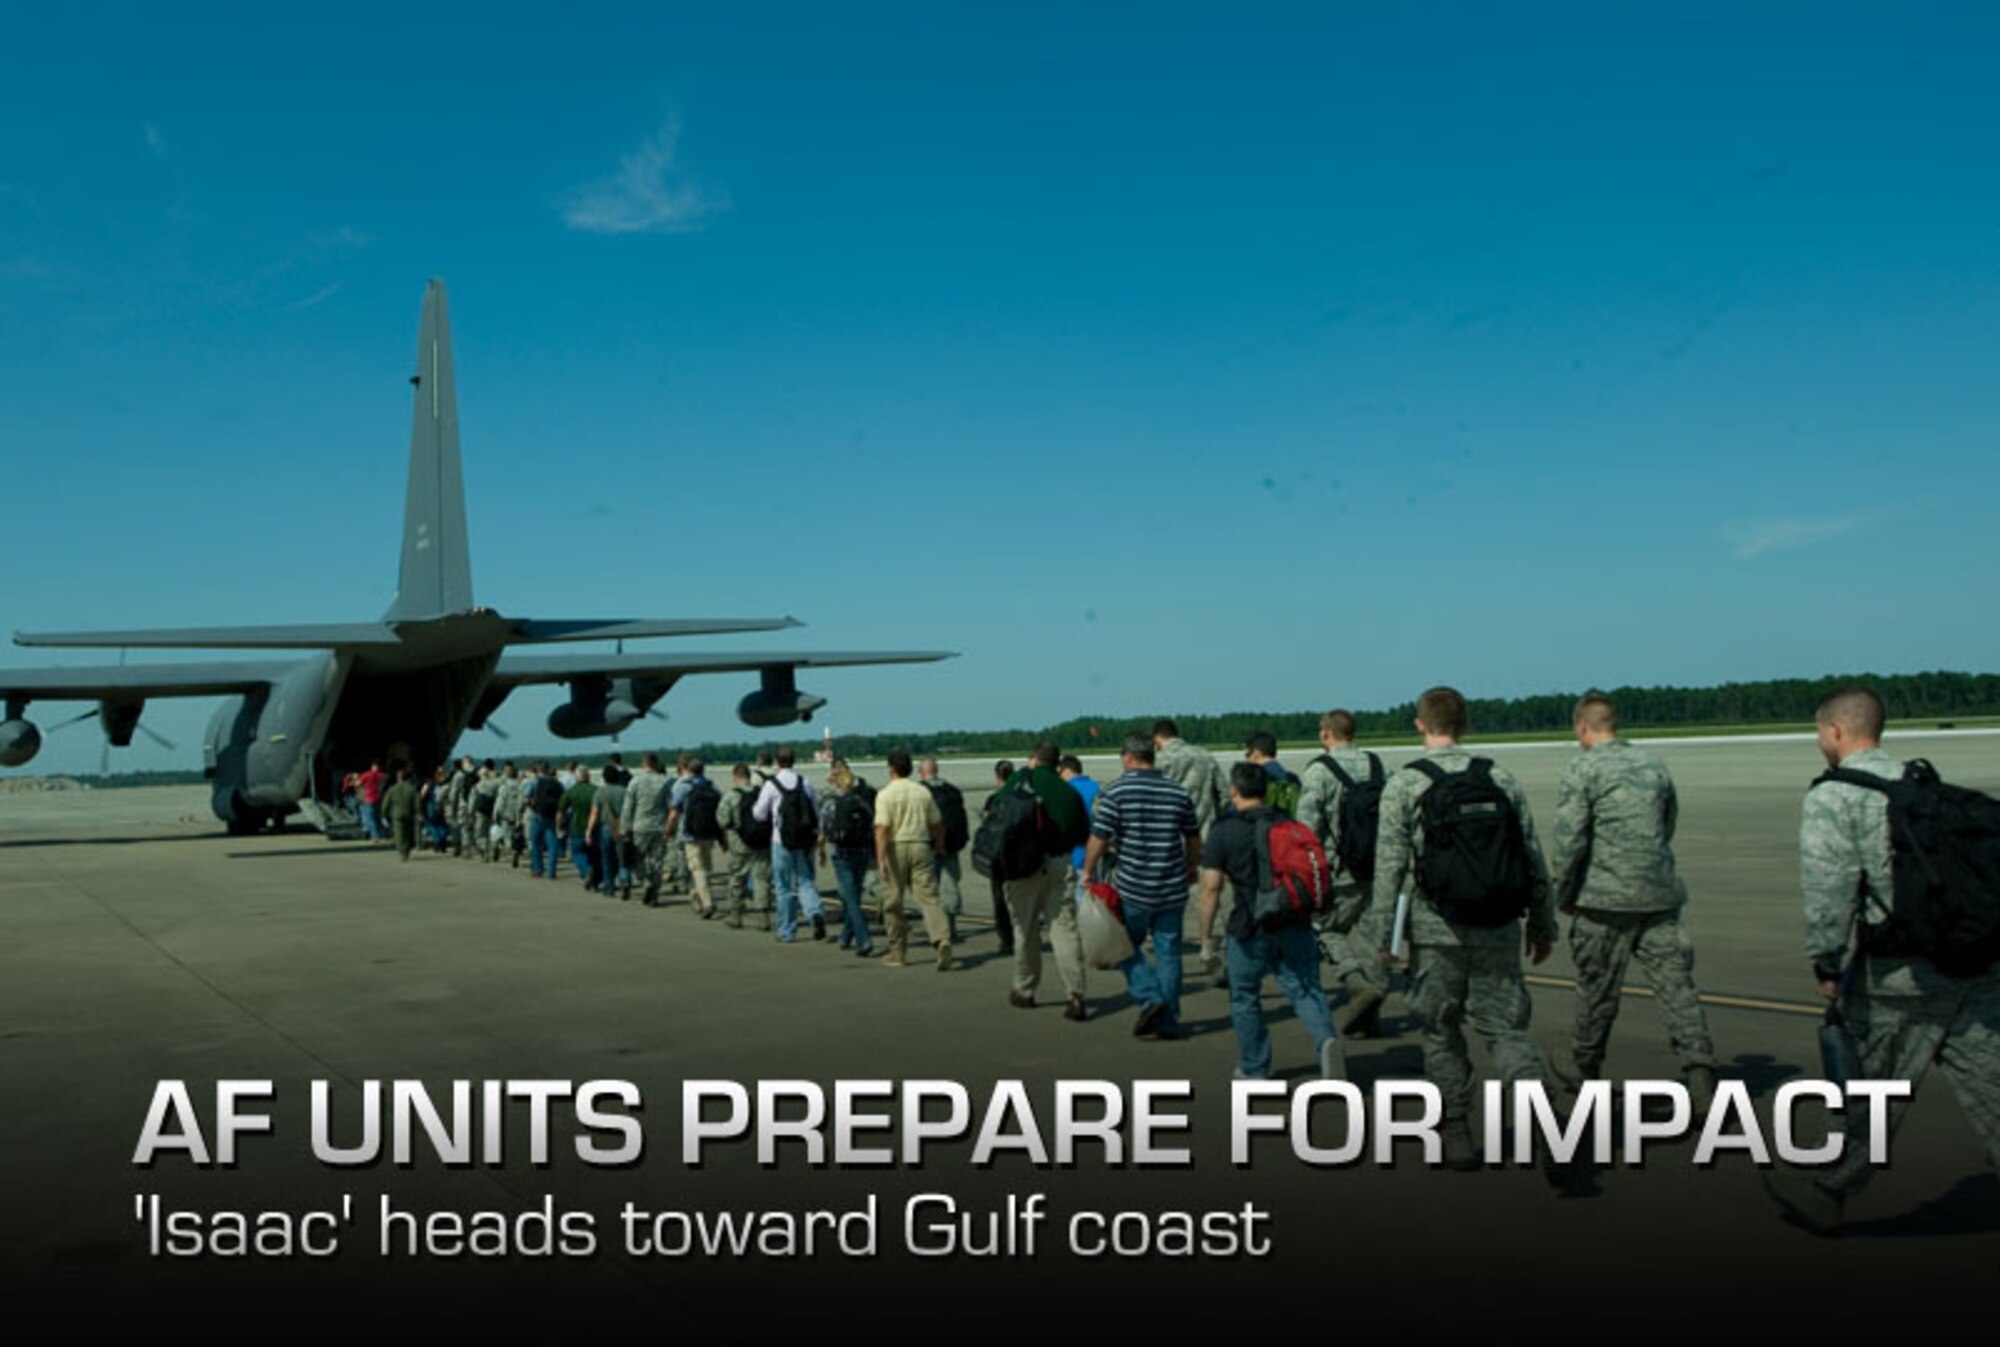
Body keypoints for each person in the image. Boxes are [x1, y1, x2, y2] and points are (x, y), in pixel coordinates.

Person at [1762, 686, 2000, 1233]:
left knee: (1868, 1091)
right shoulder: (1922, 786)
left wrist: (1826, 964)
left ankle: (1827, 1189)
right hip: (1972, 965)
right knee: (1990, 1086)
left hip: (1901, 978)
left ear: (1836, 732)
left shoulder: (1835, 796)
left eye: (1820, 732)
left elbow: (1830, 892)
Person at [1370, 686, 1557, 1170]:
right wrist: (1542, 922)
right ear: (1465, 725)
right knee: (1507, 1031)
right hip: (1498, 925)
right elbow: (1531, 856)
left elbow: (1389, 867)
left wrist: (1382, 937)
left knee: (1439, 1030)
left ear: (1420, 724)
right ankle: (1539, 1104)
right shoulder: (1499, 776)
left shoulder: (1406, 784)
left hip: (1436, 932)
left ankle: (1455, 1130)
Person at [1547, 694, 1717, 1108]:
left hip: (1605, 899)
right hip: (1658, 895)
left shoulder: (1583, 768)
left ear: (1582, 727)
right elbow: (1667, 823)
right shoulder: (1652, 764)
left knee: (1597, 991)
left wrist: (1562, 894)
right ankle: (1699, 1073)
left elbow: (1570, 840)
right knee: (1677, 989)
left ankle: (1584, 1065)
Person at [1198, 763, 1343, 1080]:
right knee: (1306, 988)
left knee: (1245, 996)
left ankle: (1254, 1067)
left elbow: (1211, 888)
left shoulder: (1224, 831)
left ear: (1234, 790)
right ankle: (1326, 1040)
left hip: (1251, 926)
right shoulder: (1287, 823)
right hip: (1294, 919)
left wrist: (1206, 937)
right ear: (1265, 790)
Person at [1082, 734, 1201, 1039]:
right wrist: (1191, 866)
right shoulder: (1177, 791)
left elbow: (1100, 836)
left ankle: (1151, 998)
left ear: (1128, 757)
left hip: (1134, 887)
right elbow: (1192, 836)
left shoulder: (1118, 791)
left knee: (1122, 947)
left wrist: (1087, 870)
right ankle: (1169, 1020)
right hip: (1172, 886)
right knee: (1169, 954)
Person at [1296, 709, 1392, 1038]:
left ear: (1326, 734)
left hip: (1339, 870)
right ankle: (1371, 1013)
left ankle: (1355, 982)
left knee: (1324, 926)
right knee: (1368, 938)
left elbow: (1307, 829)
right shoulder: (1378, 766)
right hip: (1377, 869)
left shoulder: (1320, 771)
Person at [999, 743, 1091, 1017]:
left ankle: (1025, 989)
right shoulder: (1067, 791)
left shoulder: (1018, 780)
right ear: (1058, 764)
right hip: (1058, 863)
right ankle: (1076, 994)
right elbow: (1081, 833)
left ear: (1035, 759)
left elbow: (997, 813)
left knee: (1025, 929)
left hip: (1022, 867)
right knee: (1064, 928)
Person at [873, 748, 953, 969]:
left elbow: (881, 828)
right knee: (929, 898)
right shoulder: (922, 792)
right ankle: (941, 940)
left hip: (896, 847)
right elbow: (937, 823)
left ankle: (898, 952)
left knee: (893, 901)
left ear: (891, 768)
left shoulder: (885, 794)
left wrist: (880, 859)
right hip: (920, 845)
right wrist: (940, 846)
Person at [753, 746, 828, 943]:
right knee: (805, 881)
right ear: (794, 761)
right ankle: (814, 912)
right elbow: (815, 810)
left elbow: (759, 814)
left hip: (781, 840)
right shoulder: (805, 782)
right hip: (803, 841)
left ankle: (787, 930)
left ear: (778, 762)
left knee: (783, 886)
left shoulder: (771, 785)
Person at [820, 763, 878, 954]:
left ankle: (864, 939)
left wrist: (822, 848)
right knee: (855, 894)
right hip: (862, 852)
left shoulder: (831, 802)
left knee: (850, 899)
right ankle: (846, 936)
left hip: (843, 851)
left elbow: (824, 827)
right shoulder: (862, 803)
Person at [919, 756, 971, 944]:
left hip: (929, 845)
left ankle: (936, 929)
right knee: (950, 884)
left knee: (929, 889)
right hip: (952, 844)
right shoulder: (953, 791)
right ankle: (950, 926)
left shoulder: (920, 791)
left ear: (922, 772)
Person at [665, 757, 725, 918]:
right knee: (705, 868)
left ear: (689, 770)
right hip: (709, 833)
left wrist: (667, 831)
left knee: (697, 869)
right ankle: (695, 895)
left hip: (690, 834)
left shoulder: (683, 787)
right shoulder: (712, 786)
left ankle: (707, 903)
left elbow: (674, 813)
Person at [718, 763, 774, 929]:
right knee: (762, 879)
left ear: (735, 777)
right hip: (762, 841)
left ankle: (735, 915)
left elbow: (723, 820)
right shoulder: (761, 793)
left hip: (740, 843)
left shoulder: (731, 796)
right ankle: (763, 917)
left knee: (737, 878)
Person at [1153, 719, 1228, 836]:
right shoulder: (1205, 755)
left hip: (1172, 836)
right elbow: (1224, 793)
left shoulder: (1160, 760)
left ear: (1157, 738)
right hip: (1206, 834)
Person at [621, 752, 673, 904]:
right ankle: (654, 890)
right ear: (656, 764)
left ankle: (645, 878)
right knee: (657, 861)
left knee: (637, 858)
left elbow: (628, 807)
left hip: (640, 826)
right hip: (659, 826)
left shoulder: (635, 781)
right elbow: (670, 806)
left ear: (643, 764)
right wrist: (670, 828)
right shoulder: (665, 781)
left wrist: (625, 828)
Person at [983, 759, 1018, 956]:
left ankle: (1006, 938)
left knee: (999, 898)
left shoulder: (994, 799)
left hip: (999, 854)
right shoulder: (1021, 797)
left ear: (997, 776)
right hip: (1018, 854)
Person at [589, 763, 630, 899]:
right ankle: (625, 882)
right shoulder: (624, 791)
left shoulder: (599, 792)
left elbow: (594, 813)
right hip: (622, 826)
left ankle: (609, 887)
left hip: (606, 827)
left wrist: (589, 830)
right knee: (623, 858)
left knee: (607, 859)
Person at [558, 766, 600, 889]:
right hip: (594, 828)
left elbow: (561, 810)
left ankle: (586, 872)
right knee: (594, 855)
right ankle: (595, 877)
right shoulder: (596, 790)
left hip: (577, 827)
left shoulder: (571, 792)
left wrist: (559, 826)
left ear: (577, 777)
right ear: (588, 776)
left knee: (578, 854)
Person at [526, 762, 565, 880]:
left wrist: (533, 808)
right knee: (552, 845)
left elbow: (526, 799)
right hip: (551, 816)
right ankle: (551, 872)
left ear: (539, 770)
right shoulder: (558, 783)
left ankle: (538, 869)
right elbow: (563, 799)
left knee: (535, 843)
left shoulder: (535, 782)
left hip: (538, 816)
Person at [382, 767, 420, 861]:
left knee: (399, 834)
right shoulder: (412, 789)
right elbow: (417, 802)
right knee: (409, 832)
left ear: (398, 778)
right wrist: (418, 812)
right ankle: (408, 848)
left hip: (397, 813)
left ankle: (403, 851)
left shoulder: (392, 789)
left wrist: (384, 813)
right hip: (409, 813)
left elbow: (386, 803)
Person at [492, 762, 524, 868]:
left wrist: (496, 813)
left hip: (506, 814)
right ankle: (516, 850)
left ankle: (512, 851)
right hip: (518, 815)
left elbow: (500, 802)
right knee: (517, 835)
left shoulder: (504, 786)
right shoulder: (521, 785)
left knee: (507, 836)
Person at [357, 760, 388, 843]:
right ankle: (383, 834)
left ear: (372, 767)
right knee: (378, 818)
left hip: (368, 799)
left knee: (370, 818)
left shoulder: (366, 775)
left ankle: (375, 836)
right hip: (379, 799)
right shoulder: (383, 776)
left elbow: (358, 784)